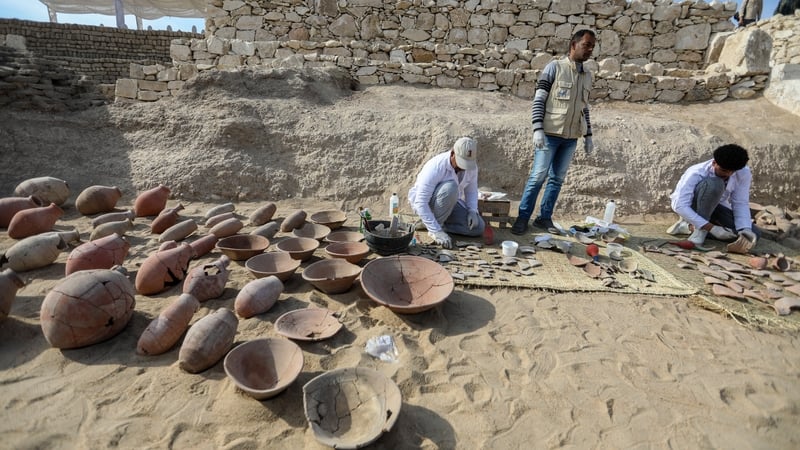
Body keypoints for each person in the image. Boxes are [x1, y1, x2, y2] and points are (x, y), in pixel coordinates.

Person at [511, 29, 597, 235]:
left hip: (570, 138)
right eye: (586, 45)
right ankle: (523, 218)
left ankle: (544, 218)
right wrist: (537, 128)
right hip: (549, 134)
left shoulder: (587, 76)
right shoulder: (554, 68)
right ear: (573, 45)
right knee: (537, 177)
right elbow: (539, 98)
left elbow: (584, 107)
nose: (590, 50)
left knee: (557, 179)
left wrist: (588, 135)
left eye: (592, 46)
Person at [667, 144, 760, 247]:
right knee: (715, 184)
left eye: (732, 171)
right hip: (695, 207)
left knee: (751, 235)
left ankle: (688, 227)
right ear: (714, 163)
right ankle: (699, 231)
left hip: (716, 208)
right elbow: (679, 205)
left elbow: (740, 202)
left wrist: (745, 228)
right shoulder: (696, 172)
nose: (728, 174)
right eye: (724, 170)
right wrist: (711, 228)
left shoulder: (743, 172)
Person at [408, 137, 485, 249]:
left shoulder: (472, 167)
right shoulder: (436, 166)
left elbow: (471, 191)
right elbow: (421, 202)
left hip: (451, 203)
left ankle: (430, 224)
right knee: (451, 187)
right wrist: (436, 231)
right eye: (461, 163)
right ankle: (435, 228)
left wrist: (472, 211)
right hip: (429, 205)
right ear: (453, 153)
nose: (463, 168)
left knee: (478, 227)